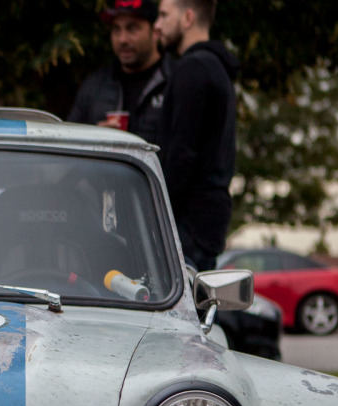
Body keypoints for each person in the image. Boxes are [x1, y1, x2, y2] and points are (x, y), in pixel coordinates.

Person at [153, 0, 238, 271]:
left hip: (187, 228)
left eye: (164, 15)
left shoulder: (194, 69)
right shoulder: (216, 68)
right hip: (204, 224)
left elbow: (181, 153)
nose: (157, 25)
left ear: (188, 18)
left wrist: (157, 215)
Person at [67, 0, 172, 145]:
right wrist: (93, 138)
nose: (122, 39)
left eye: (132, 28)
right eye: (116, 29)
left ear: (155, 32)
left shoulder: (176, 80)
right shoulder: (95, 85)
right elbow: (69, 144)